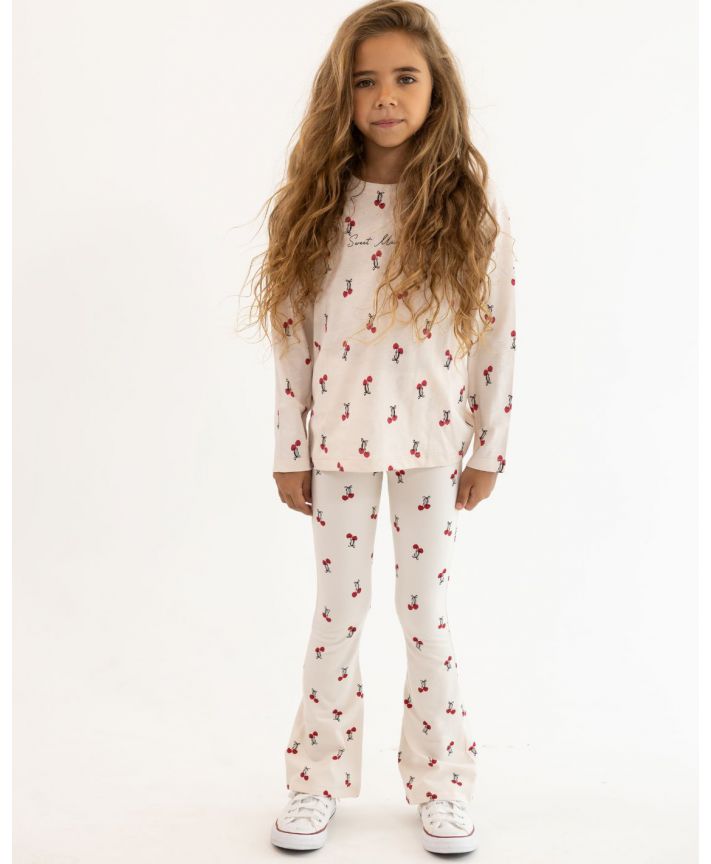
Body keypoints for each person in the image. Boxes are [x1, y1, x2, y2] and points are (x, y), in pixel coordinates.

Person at [248, 0, 517, 854]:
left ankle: (443, 783)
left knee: (424, 615)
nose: (386, 97)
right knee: (336, 614)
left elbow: (496, 332)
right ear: (344, 94)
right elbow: (292, 338)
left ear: (436, 90)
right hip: (337, 446)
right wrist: (289, 448)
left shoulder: (471, 206)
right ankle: (314, 779)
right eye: (366, 82)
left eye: (405, 78)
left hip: (434, 447)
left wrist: (489, 448)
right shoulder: (315, 205)